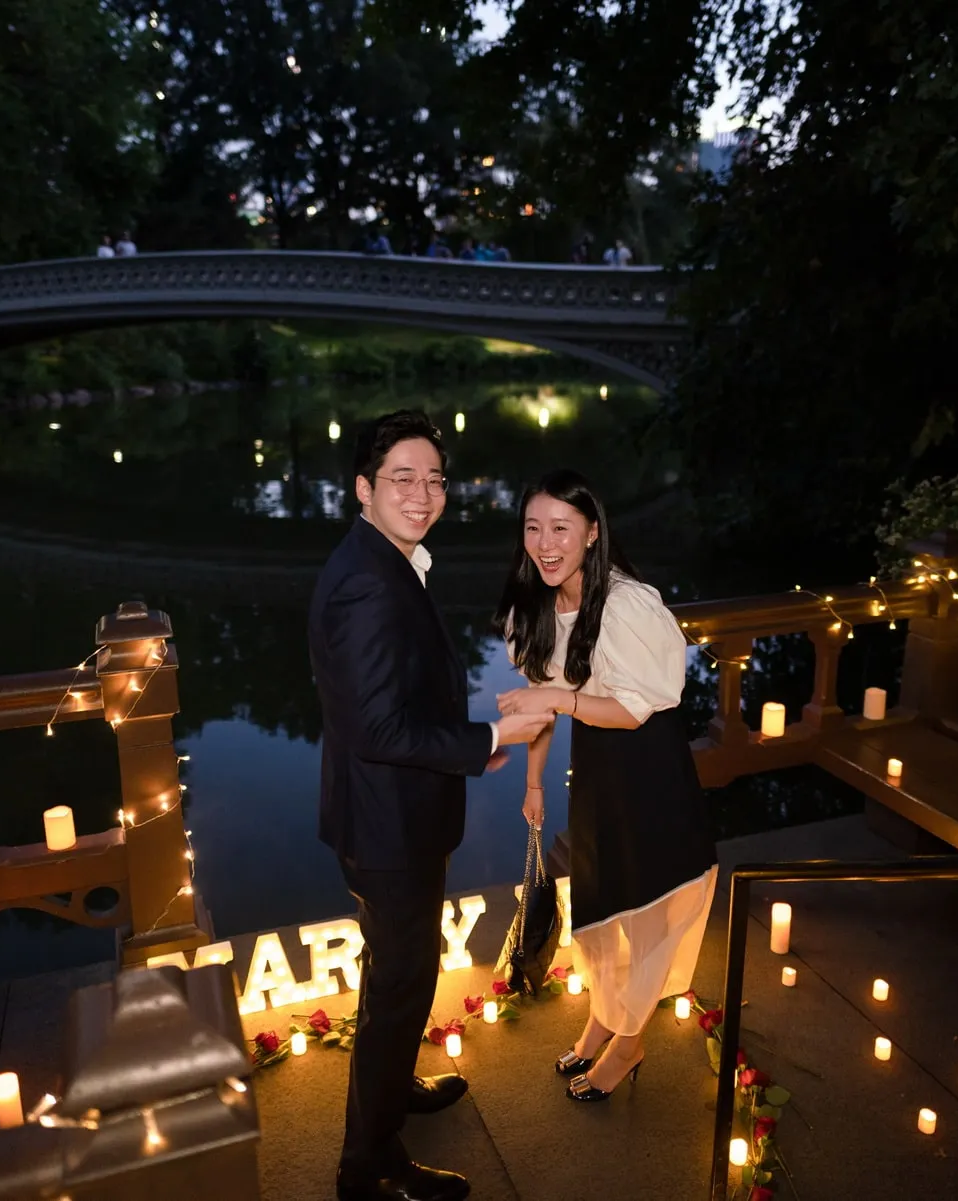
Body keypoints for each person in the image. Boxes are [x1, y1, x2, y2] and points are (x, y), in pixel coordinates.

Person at [310, 411, 555, 1201]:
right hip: (387, 826)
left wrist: (473, 737)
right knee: (400, 983)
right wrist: (493, 731)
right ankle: (368, 1162)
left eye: (434, 479)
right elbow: (376, 726)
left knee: (399, 974)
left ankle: (393, 1087)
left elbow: (390, 701)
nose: (423, 494)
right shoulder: (364, 584)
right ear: (362, 488)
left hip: (393, 812)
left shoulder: (386, 560)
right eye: (401, 478)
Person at [493, 469, 717, 1103]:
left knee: (645, 909)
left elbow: (631, 709)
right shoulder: (535, 604)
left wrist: (559, 699)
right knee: (601, 905)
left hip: (648, 771)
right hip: (594, 773)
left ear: (592, 533)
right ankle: (603, 1017)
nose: (544, 542)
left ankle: (628, 1040)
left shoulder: (624, 603)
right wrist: (534, 783)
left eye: (560, 528)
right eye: (533, 528)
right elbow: (543, 706)